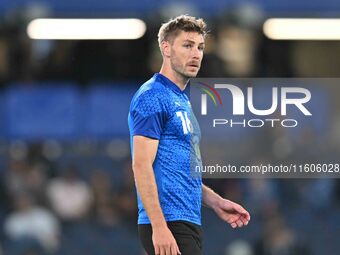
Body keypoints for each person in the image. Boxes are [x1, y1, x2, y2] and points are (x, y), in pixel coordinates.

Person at [128, 15, 250, 255]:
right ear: (166, 48)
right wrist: (159, 227)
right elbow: (141, 165)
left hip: (187, 221)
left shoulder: (181, 100)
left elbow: (180, 170)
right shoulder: (152, 96)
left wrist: (216, 202)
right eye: (187, 45)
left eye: (200, 47)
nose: (196, 54)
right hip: (169, 223)